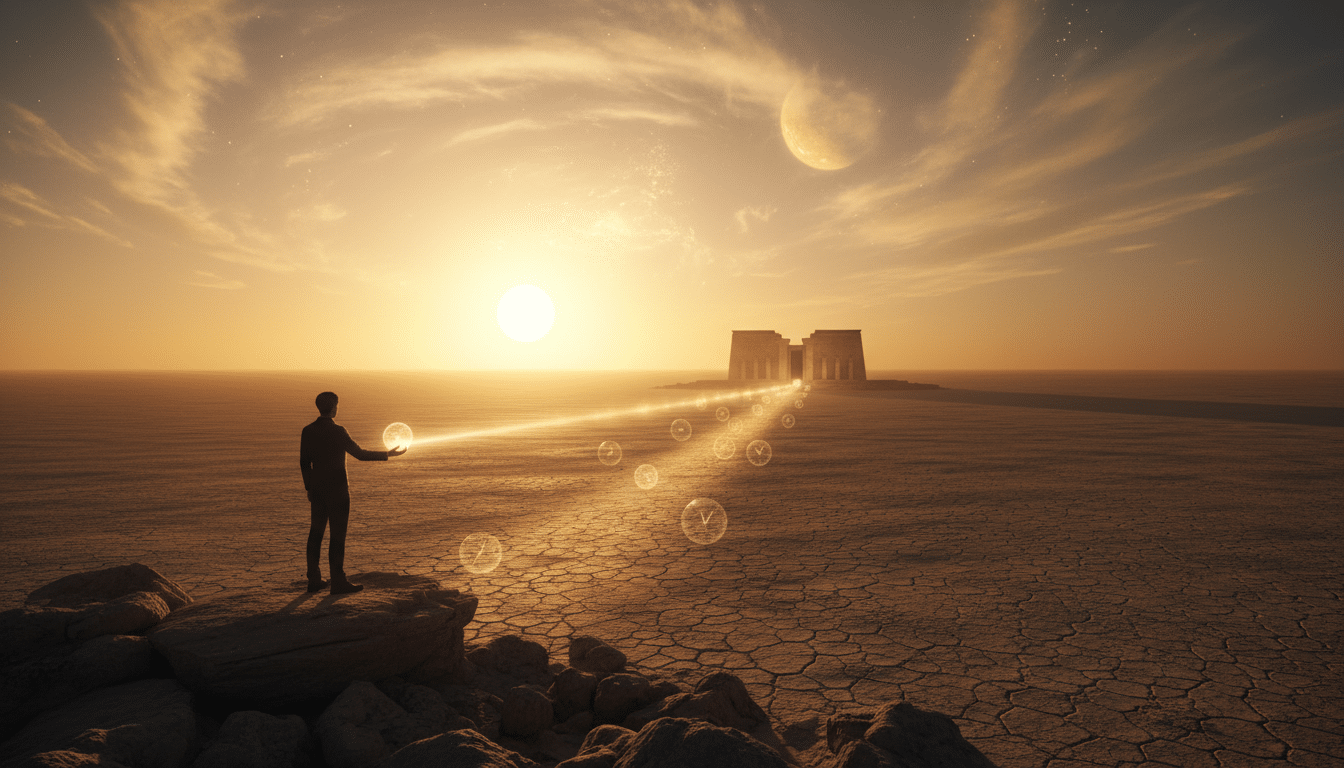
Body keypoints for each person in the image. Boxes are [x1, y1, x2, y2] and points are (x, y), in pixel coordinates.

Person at [299, 391, 406, 594]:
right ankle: (338, 581)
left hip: (318, 491)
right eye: (337, 405)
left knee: (315, 534)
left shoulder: (308, 430)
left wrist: (309, 488)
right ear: (332, 408)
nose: (337, 408)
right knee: (337, 537)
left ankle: (313, 580)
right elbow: (360, 454)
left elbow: (304, 463)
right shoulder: (338, 431)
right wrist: (387, 454)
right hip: (338, 491)